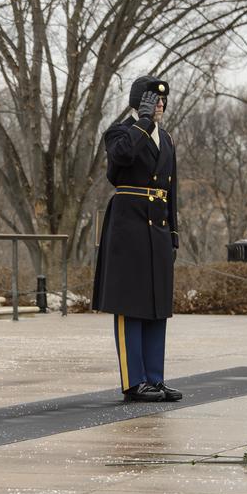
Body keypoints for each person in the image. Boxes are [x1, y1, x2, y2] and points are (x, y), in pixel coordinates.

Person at [92, 76, 182, 403]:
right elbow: (122, 159)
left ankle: (154, 379)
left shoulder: (167, 139)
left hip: (157, 227)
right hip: (128, 226)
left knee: (157, 306)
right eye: (153, 100)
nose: (160, 104)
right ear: (139, 102)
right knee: (130, 306)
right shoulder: (119, 132)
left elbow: (171, 189)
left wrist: (173, 233)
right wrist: (142, 121)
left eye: (161, 101)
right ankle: (134, 381)